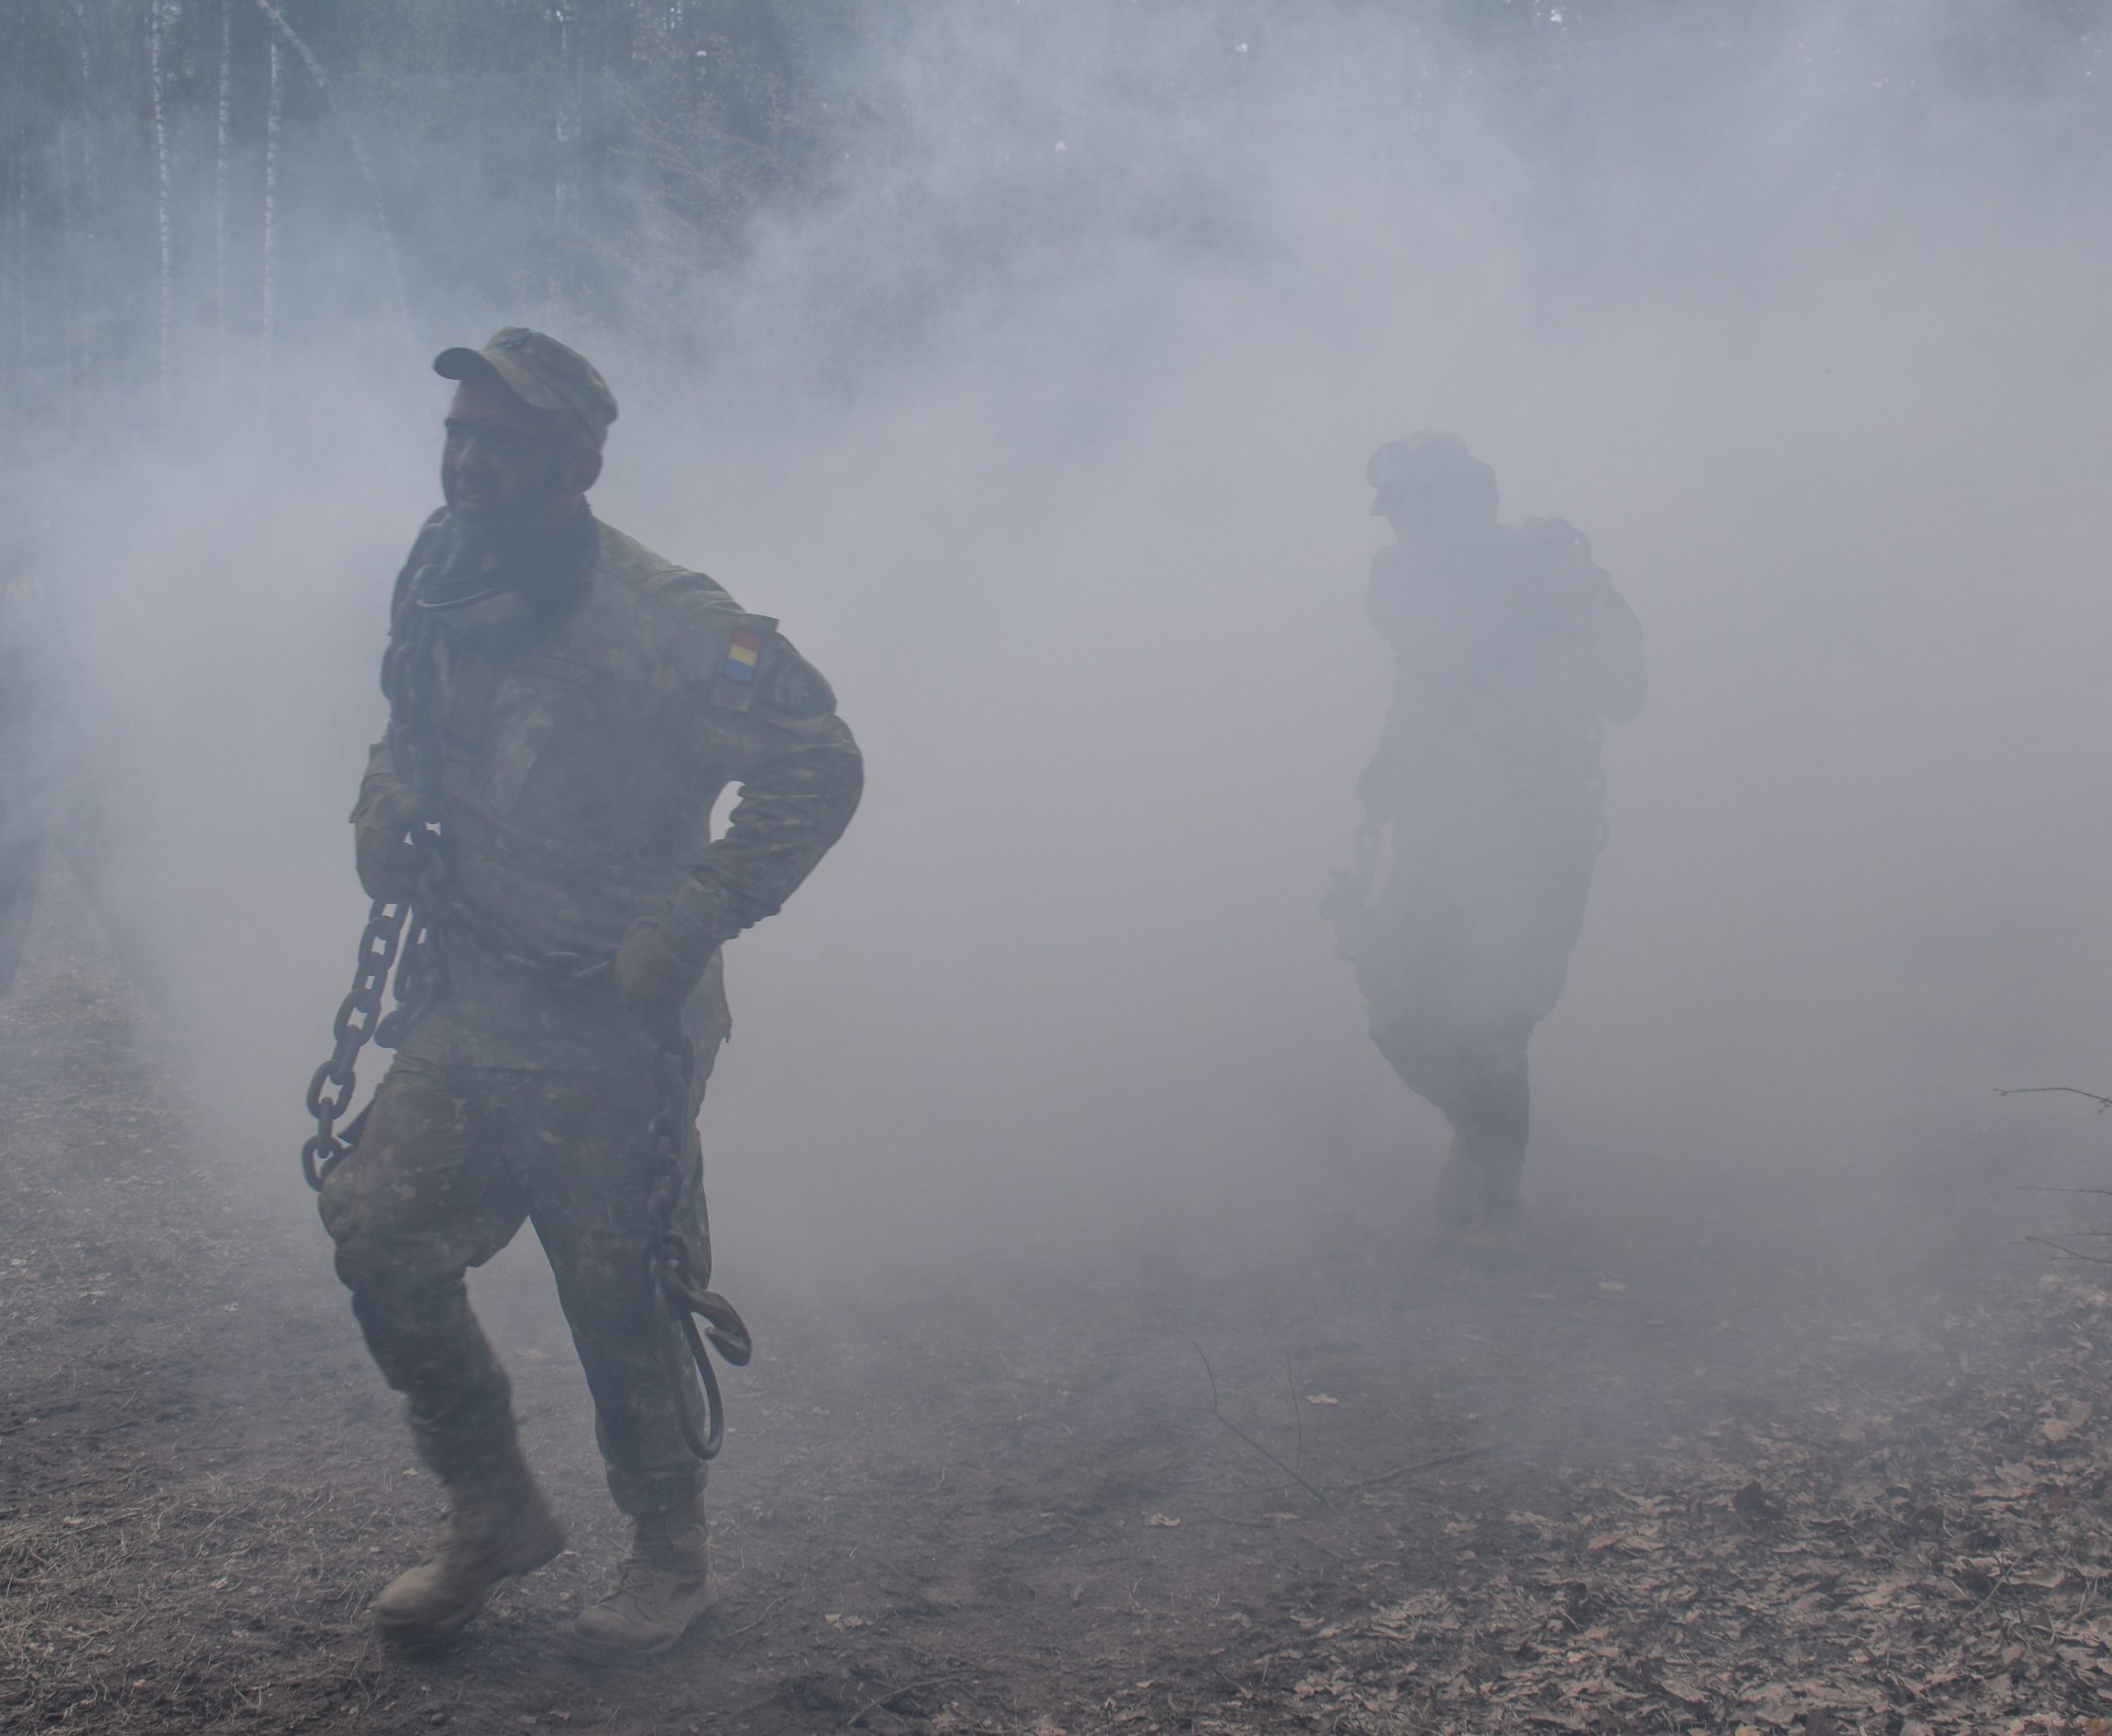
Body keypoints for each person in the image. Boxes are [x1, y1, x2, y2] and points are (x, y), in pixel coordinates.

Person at [317, 328, 862, 1663]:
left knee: (617, 1286)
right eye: (459, 435)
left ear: (578, 464)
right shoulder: (441, 565)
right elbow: (407, 723)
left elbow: (819, 760)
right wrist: (385, 801)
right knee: (379, 1228)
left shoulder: (675, 620)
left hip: (615, 1019)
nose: (469, 462)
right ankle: (491, 1507)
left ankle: (670, 1552)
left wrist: (692, 917)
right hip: (475, 995)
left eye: (501, 442)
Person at [1329, 432, 1643, 1242]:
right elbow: (1421, 684)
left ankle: (1498, 1193)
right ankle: (1480, 1134)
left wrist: (1563, 625)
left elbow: (1625, 692)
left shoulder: (1550, 569)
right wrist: (1390, 767)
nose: (1409, 530)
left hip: (1540, 825)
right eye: (1399, 515)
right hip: (1441, 824)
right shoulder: (1400, 583)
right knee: (1397, 1007)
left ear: (1472, 503)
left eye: (1421, 511)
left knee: (1498, 1013)